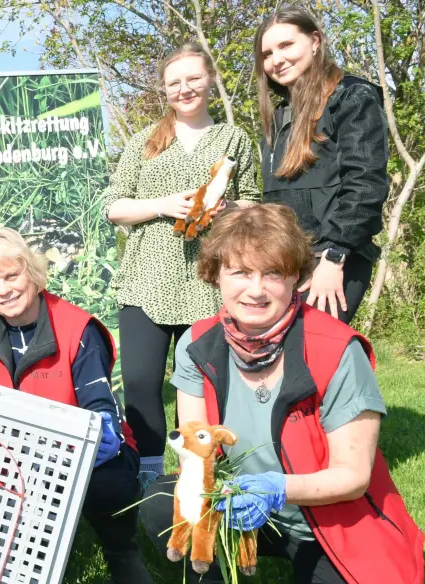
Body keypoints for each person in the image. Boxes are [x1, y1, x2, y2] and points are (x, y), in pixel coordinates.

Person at [138, 205, 424, 584]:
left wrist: (278, 488)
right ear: (215, 276)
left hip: (334, 525)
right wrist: (207, 495)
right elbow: (196, 450)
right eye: (240, 271)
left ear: (296, 279)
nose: (255, 289)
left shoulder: (336, 350)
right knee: (162, 502)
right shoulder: (197, 344)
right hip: (241, 508)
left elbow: (353, 476)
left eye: (273, 273)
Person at [0, 228, 153, 584]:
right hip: (18, 458)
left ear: (31, 272)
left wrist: (103, 432)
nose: (4, 290)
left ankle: (120, 550)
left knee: (109, 483)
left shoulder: (77, 329)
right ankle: (22, 566)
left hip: (84, 455)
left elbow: (99, 405)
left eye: (11, 276)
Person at [102, 43, 261, 479]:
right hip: (146, 279)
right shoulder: (144, 142)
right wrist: (165, 205)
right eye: (175, 82)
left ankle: (198, 474)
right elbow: (114, 207)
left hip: (208, 281)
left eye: (193, 78)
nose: (185, 88)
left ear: (210, 80)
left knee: (203, 385)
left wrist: (226, 210)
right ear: (165, 90)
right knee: (139, 382)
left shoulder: (233, 139)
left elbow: (254, 205)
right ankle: (148, 472)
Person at [255, 6, 389, 324]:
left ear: (314, 41)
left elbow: (365, 182)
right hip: (283, 262)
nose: (277, 59)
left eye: (287, 45)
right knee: (279, 365)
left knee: (314, 361)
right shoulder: (278, 116)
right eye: (268, 53)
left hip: (332, 261)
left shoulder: (352, 97)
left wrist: (335, 255)